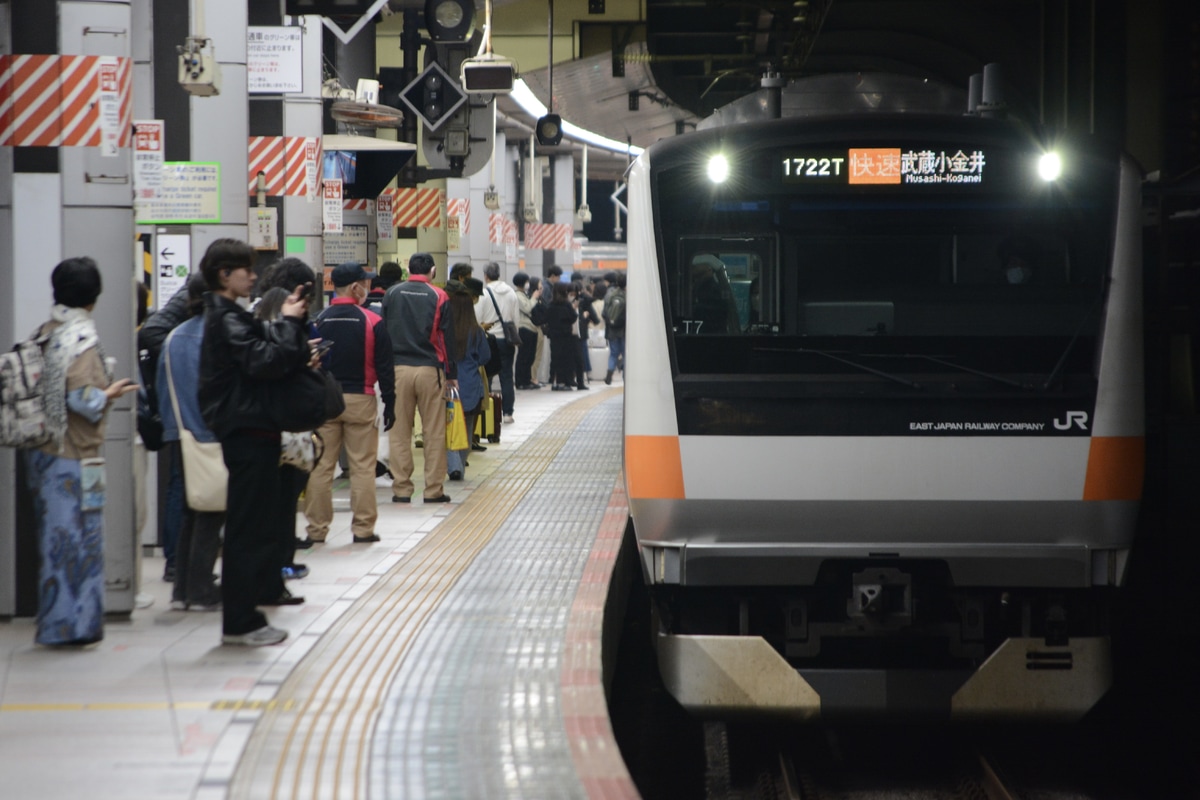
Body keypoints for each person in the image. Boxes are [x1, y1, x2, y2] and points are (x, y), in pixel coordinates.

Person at [198, 239, 314, 646]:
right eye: (245, 269)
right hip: (245, 431)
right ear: (223, 274)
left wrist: (291, 324)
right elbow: (265, 362)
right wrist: (285, 323)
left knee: (257, 525)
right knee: (247, 529)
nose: (253, 275)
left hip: (254, 429)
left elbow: (274, 355)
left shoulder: (233, 315)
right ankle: (240, 622)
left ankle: (251, 610)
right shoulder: (225, 319)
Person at [23, 257, 139, 646]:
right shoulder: (81, 338)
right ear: (93, 298)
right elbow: (83, 400)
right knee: (78, 544)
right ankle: (72, 625)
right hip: (73, 456)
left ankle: (58, 622)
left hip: (41, 451)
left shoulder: (44, 331)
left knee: (52, 541)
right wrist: (110, 392)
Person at [303, 262, 396, 544]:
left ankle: (316, 530)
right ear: (355, 287)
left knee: (321, 466)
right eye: (364, 283)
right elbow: (385, 368)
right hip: (361, 399)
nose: (367, 287)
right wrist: (390, 403)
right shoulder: (372, 321)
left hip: (325, 400)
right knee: (363, 467)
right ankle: (363, 529)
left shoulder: (318, 320)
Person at [157, 274, 222, 611]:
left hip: (178, 432)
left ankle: (181, 588)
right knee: (210, 512)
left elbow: (161, 386)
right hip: (210, 434)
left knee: (187, 510)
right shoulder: (215, 334)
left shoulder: (173, 337)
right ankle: (200, 589)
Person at [254, 257, 321, 578]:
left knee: (275, 501)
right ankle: (279, 563)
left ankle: (281, 560)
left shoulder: (254, 315)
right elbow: (279, 365)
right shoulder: (282, 321)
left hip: (270, 426)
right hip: (281, 426)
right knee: (281, 499)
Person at [380, 252, 457, 504]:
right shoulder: (439, 295)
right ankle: (433, 490)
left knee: (399, 431)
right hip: (429, 370)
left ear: (407, 269)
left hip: (397, 370)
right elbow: (446, 339)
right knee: (433, 431)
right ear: (433, 271)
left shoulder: (392, 293)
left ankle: (402, 489)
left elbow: (382, 333)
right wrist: (451, 375)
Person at [443, 279, 491, 481]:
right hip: (471, 386)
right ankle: (459, 466)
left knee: (449, 427)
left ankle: (454, 467)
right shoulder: (476, 331)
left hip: (448, 385)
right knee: (468, 429)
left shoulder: (443, 331)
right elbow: (485, 357)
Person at [475, 262, 520, 424]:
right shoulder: (511, 293)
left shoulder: (483, 293)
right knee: (507, 376)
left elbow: (478, 318)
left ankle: (485, 413)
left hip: (488, 340)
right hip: (506, 341)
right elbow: (515, 320)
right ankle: (508, 413)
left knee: (485, 377)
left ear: (486, 275)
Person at [546, 282, 579, 391]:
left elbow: (547, 319)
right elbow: (573, 317)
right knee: (566, 360)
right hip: (566, 336)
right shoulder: (566, 305)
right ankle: (566, 382)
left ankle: (555, 382)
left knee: (555, 359)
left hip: (554, 336)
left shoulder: (550, 305)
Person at [512, 272, 542, 390]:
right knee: (524, 356)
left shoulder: (524, 294)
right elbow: (527, 307)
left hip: (531, 328)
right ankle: (521, 381)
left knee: (530, 356)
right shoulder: (517, 295)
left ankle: (527, 379)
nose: (528, 284)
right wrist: (534, 298)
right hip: (524, 328)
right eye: (527, 282)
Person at [690, 254, 734, 333]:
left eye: (698, 276)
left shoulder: (712, 289)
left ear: (709, 269)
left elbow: (714, 311)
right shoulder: (699, 286)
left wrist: (695, 308)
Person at [571, 280, 599, 390]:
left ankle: (572, 379)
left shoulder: (569, 301)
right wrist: (585, 318)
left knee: (573, 358)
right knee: (580, 358)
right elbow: (595, 319)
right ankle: (580, 380)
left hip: (571, 334)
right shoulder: (585, 302)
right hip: (580, 334)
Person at [603, 271, 626, 384]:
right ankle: (625, 377)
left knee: (613, 354)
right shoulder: (628, 296)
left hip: (612, 330)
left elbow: (604, 313)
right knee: (626, 354)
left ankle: (609, 375)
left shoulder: (610, 295)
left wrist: (611, 322)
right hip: (624, 331)